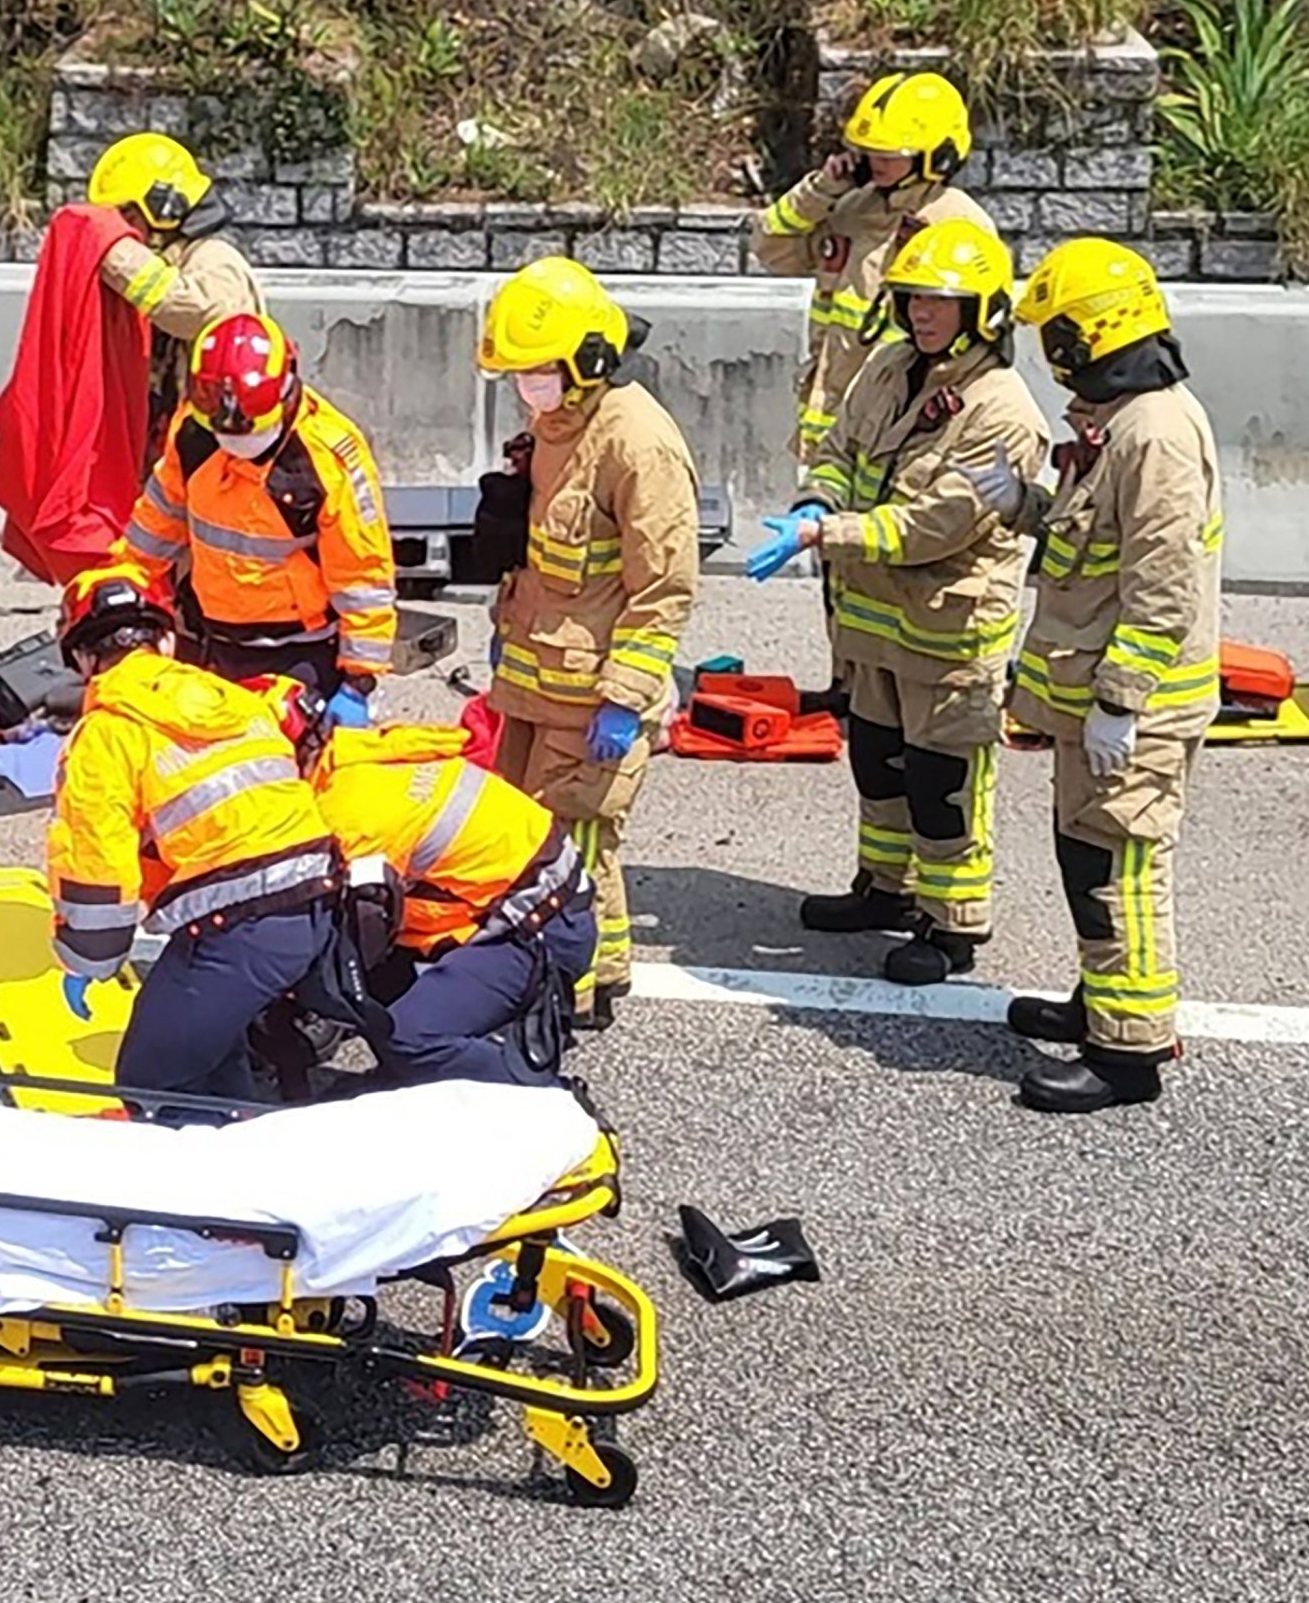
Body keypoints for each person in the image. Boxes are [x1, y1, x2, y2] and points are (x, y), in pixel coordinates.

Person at [747, 217, 1050, 985]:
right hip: (877, 623)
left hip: (948, 631)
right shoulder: (888, 366)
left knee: (941, 783)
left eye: (938, 301)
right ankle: (884, 888)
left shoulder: (1002, 411)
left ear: (980, 310)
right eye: (912, 297)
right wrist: (816, 500)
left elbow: (932, 527)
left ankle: (952, 923)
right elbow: (838, 451)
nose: (920, 312)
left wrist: (825, 535)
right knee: (878, 764)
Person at [994, 238, 1225, 1113]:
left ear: (1091, 333)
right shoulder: (1122, 421)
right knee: (1084, 852)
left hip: (1135, 708)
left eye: (1056, 334)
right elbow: (1088, 542)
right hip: (1090, 695)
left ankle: (1127, 1053)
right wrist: (1023, 506)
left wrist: (1120, 704)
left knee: (1117, 870)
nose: (1049, 354)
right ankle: (1100, 1000)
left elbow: (1161, 585)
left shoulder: (1154, 434)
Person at [473, 258, 698, 1029]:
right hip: (535, 683)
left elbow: (663, 587)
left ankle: (569, 991)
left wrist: (626, 698)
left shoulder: (638, 445)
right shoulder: (558, 425)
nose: (525, 387)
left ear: (587, 361)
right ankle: (594, 972)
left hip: (591, 695)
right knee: (528, 834)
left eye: (536, 372)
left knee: (573, 843)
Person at [41, 564, 345, 1110]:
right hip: (319, 898)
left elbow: (94, 860)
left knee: (149, 1079)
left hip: (240, 921)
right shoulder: (233, 697)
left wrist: (90, 957)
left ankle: (208, 1154)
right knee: (208, 1054)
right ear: (165, 640)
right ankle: (235, 1130)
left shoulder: (107, 733)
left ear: (85, 659)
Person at [115, 313, 399, 709]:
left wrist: (358, 680)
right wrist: (119, 590)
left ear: (285, 398)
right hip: (209, 639)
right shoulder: (195, 432)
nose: (235, 441)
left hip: (298, 652)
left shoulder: (328, 456)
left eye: (250, 431)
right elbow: (156, 524)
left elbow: (362, 576)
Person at [306, 722, 594, 1089]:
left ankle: (548, 1098)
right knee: (361, 978)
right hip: (524, 902)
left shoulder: (350, 823)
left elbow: (319, 932)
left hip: (539, 933)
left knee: (409, 1036)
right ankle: (414, 1075)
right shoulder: (350, 763)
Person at [750, 70, 992, 467]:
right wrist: (820, 190)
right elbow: (771, 248)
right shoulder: (851, 208)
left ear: (936, 156)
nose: (875, 162)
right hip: (830, 430)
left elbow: (974, 338)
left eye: (889, 154)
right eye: (869, 151)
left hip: (899, 426)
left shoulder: (957, 223)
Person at [84, 130, 269, 427]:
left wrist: (113, 251)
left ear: (163, 210)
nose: (121, 228)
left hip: (219, 442)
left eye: (127, 216)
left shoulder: (215, 257)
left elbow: (192, 311)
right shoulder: (168, 263)